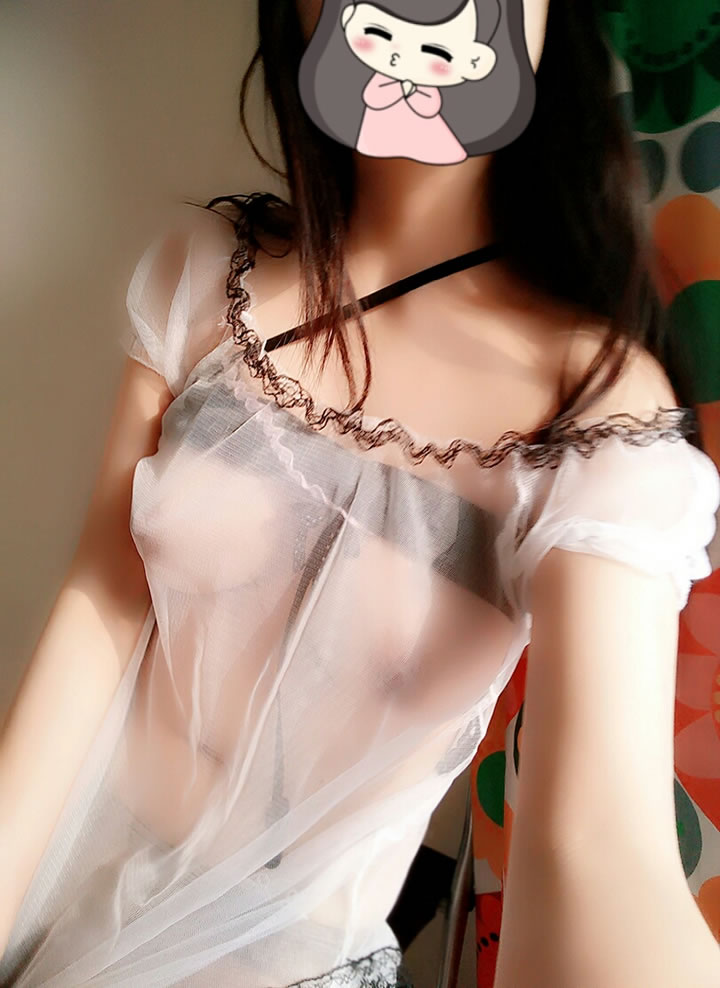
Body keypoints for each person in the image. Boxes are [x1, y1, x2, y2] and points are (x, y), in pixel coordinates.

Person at [1, 0, 719, 985]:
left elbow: (598, 838)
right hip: (76, 927)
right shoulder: (209, 274)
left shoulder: (593, 405)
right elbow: (95, 614)